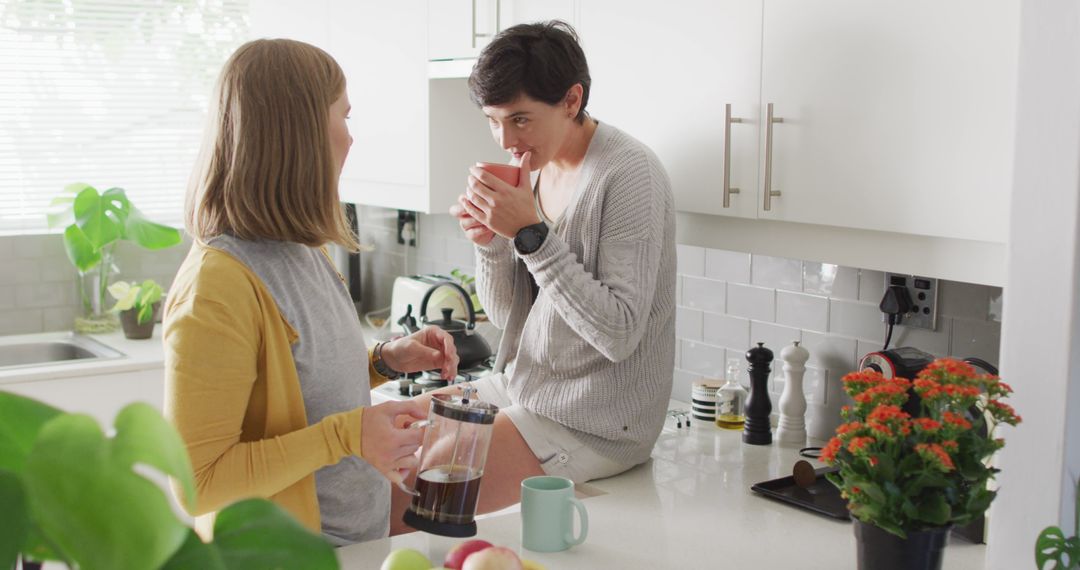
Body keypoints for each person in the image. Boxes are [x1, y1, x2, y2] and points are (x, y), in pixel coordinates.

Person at [164, 38, 459, 546]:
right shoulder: (217, 287)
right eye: (344, 116)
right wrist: (349, 435)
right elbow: (197, 483)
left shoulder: (304, 250)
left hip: (357, 545)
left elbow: (301, 386)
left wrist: (386, 360)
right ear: (301, 134)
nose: (351, 138)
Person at [391, 21, 676, 533]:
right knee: (389, 435)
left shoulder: (629, 174)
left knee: (409, 497)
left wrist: (530, 234)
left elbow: (618, 333)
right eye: (494, 122)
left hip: (597, 421)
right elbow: (508, 319)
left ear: (571, 100)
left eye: (520, 119)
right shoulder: (535, 171)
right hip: (525, 389)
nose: (507, 140)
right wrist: (492, 244)